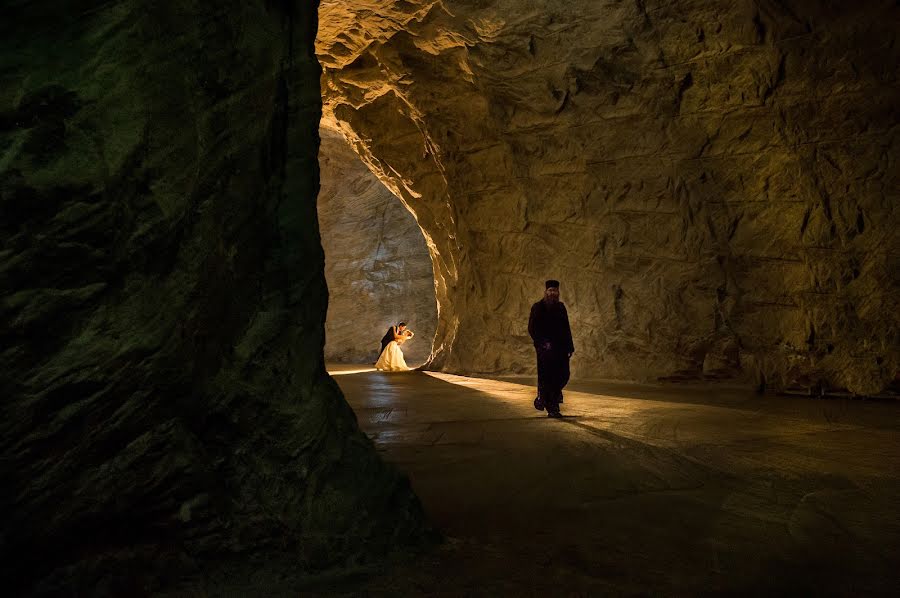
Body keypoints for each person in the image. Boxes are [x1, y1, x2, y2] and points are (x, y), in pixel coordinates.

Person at [528, 280, 574, 418]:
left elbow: (567, 328)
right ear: (546, 292)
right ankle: (552, 408)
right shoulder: (538, 307)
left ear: (558, 292)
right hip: (545, 351)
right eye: (550, 290)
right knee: (548, 378)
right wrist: (542, 343)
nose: (552, 293)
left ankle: (543, 398)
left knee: (564, 375)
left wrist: (570, 346)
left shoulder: (561, 307)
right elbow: (532, 328)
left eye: (555, 291)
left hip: (560, 349)